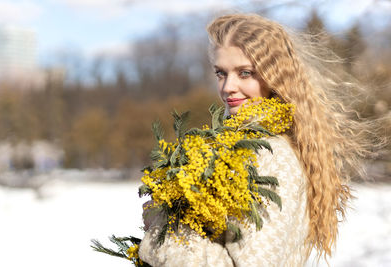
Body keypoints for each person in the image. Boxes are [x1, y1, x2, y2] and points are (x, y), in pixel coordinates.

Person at [138, 13, 377, 266]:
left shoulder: (271, 156)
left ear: (275, 78)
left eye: (245, 73)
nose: (228, 86)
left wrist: (163, 233)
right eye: (221, 73)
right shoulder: (237, 147)